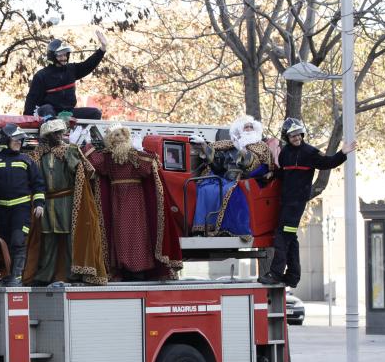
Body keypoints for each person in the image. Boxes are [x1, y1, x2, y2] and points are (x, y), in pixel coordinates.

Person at [260, 118, 354, 288]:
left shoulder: (310, 153)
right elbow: (283, 175)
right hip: (285, 202)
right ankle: (293, 276)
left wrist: (343, 153)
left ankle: (275, 274)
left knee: (282, 237)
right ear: (287, 137)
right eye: (292, 135)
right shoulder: (284, 153)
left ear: (302, 133)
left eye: (298, 134)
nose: (296, 138)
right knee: (291, 238)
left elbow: (328, 163)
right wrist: (271, 175)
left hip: (296, 205)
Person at [88, 125, 182, 281]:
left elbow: (147, 169)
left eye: (121, 135)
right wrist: (89, 145)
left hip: (135, 200)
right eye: (116, 136)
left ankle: (139, 268)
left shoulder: (133, 156)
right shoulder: (109, 157)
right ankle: (125, 267)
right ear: (111, 140)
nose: (119, 138)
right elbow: (98, 165)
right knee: (121, 232)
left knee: (137, 231)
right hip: (117, 199)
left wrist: (140, 151)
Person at [22, 117, 107, 285]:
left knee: (69, 238)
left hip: (67, 201)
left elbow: (88, 172)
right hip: (47, 202)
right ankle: (44, 275)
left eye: (61, 132)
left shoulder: (71, 150)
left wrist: (70, 154)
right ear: (48, 135)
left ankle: (72, 273)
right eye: (55, 133)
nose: (59, 136)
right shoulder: (38, 154)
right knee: (48, 239)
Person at [0, 123, 46, 286]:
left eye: (21, 140)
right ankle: (8, 274)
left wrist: (39, 203)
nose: (19, 142)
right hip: (1, 210)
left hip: (21, 209)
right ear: (6, 140)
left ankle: (17, 277)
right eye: (16, 139)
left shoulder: (26, 160)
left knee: (18, 240)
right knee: (3, 242)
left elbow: (38, 184)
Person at [192, 115, 272, 238]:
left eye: (251, 127)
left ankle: (229, 229)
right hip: (226, 178)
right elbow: (219, 165)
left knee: (228, 191)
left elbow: (256, 166)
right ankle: (203, 229)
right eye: (246, 127)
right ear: (240, 130)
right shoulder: (230, 146)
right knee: (205, 188)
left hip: (246, 179)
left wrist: (244, 152)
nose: (249, 129)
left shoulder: (261, 147)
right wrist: (204, 146)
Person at [23, 31, 109, 120]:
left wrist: (103, 48)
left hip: (68, 113)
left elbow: (88, 65)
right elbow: (31, 101)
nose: (64, 58)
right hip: (50, 114)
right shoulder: (41, 75)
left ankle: (84, 133)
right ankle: (54, 132)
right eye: (60, 56)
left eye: (65, 55)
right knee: (46, 108)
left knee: (95, 113)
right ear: (52, 56)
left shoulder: (72, 69)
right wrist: (26, 120)